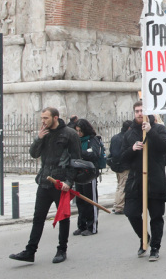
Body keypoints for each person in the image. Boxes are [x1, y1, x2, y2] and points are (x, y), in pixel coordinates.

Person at [9, 107, 81, 264]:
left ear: (55, 118)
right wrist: (38, 138)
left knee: (63, 217)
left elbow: (76, 161)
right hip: (44, 181)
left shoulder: (70, 134)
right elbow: (34, 154)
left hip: (60, 183)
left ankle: (62, 249)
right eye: (42, 118)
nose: (43, 121)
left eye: (46, 118)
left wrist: (69, 182)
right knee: (38, 217)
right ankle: (30, 251)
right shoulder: (44, 134)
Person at [122, 102, 166, 261]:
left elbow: (164, 148)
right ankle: (144, 238)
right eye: (136, 111)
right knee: (131, 212)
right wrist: (132, 150)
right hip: (136, 181)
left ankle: (155, 247)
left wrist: (150, 132)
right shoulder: (129, 134)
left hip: (155, 180)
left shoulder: (159, 129)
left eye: (142, 110)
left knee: (156, 216)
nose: (139, 113)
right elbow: (120, 159)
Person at [73, 118, 101, 236]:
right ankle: (81, 225)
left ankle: (92, 226)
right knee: (80, 200)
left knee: (90, 200)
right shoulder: (76, 140)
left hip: (90, 173)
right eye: (77, 131)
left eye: (80, 131)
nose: (78, 133)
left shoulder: (93, 140)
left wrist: (80, 152)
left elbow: (94, 154)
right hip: (79, 173)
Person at [108, 120, 132, 215]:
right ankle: (119, 206)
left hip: (116, 165)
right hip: (123, 165)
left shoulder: (115, 137)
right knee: (123, 186)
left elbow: (111, 150)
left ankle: (117, 204)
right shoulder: (125, 138)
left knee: (120, 185)